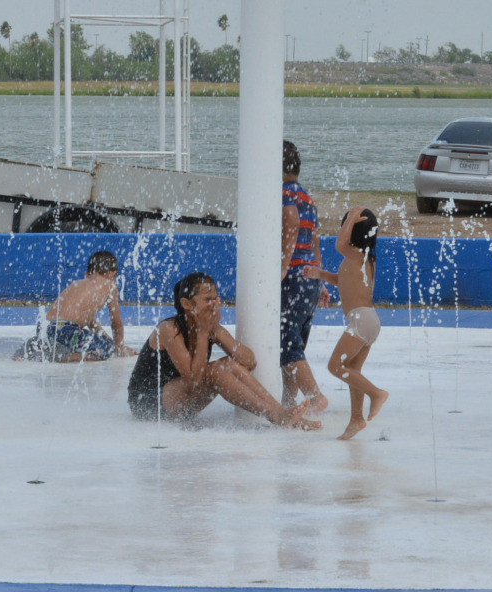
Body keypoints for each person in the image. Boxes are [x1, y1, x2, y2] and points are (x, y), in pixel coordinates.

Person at [126, 272, 320, 430]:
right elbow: (194, 379)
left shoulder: (211, 327)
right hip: (149, 403)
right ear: (187, 304)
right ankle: (277, 416)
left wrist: (216, 331)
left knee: (226, 364)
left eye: (215, 299)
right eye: (207, 299)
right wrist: (203, 333)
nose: (215, 304)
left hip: (178, 399)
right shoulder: (169, 329)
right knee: (215, 371)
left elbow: (249, 361)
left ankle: (281, 413)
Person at [304, 207, 387, 440]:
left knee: (335, 367)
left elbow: (340, 244)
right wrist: (320, 274)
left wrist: (350, 217)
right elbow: (343, 281)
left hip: (362, 320)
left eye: (347, 226)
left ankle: (376, 394)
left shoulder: (357, 254)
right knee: (352, 371)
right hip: (367, 321)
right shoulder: (361, 258)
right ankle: (357, 419)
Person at [17, 250, 138, 362]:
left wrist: (109, 341)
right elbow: (116, 323)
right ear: (113, 273)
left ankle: (34, 348)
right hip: (67, 329)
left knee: (58, 339)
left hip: (46, 327)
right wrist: (118, 347)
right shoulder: (110, 285)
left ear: (88, 273)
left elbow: (92, 324)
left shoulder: (77, 284)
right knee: (107, 349)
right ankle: (63, 357)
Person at [280, 141, 328, 416]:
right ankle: (289, 401)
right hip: (310, 278)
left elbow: (291, 221)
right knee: (293, 345)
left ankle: (315, 397)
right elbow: (315, 241)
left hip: (295, 276)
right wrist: (320, 279)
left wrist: (284, 264)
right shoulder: (308, 197)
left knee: (286, 341)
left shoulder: (285, 192)